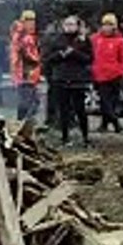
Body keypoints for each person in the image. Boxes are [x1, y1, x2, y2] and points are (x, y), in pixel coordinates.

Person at [45, 16, 93, 147]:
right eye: (66, 24)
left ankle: (85, 137)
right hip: (60, 78)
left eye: (72, 24)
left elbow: (90, 59)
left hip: (78, 79)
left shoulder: (84, 40)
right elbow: (48, 58)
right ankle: (65, 137)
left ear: (77, 26)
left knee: (80, 110)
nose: (69, 27)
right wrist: (60, 55)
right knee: (63, 110)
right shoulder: (57, 40)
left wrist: (74, 53)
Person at [91, 13, 123, 133]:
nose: (106, 27)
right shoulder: (95, 39)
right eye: (105, 25)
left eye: (109, 25)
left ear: (114, 27)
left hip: (114, 75)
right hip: (100, 75)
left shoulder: (120, 41)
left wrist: (121, 72)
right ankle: (115, 122)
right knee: (104, 101)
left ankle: (104, 124)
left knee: (111, 101)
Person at [9, 11, 42, 122]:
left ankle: (22, 125)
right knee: (30, 103)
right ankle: (23, 126)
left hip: (25, 74)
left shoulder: (19, 35)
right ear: (24, 21)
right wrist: (40, 60)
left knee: (27, 102)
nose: (32, 23)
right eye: (29, 20)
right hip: (26, 73)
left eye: (33, 20)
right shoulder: (24, 37)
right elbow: (29, 56)